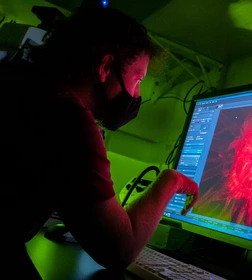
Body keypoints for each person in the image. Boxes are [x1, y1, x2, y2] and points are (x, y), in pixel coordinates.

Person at [1, 6, 198, 278]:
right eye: (138, 79)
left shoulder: (23, 85)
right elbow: (118, 251)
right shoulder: (68, 121)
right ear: (106, 67)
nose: (137, 93)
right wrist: (171, 180)